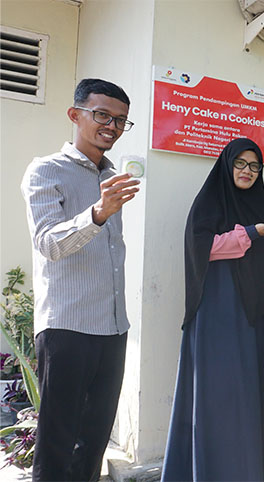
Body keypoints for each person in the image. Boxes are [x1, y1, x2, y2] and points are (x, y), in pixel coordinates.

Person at [21, 78, 139, 481]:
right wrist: (97, 213)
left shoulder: (111, 176)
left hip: (113, 327)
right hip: (67, 327)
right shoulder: (46, 170)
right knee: (58, 440)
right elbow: (48, 244)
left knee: (94, 439)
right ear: (75, 114)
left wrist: (103, 209)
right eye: (102, 115)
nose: (112, 126)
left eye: (120, 120)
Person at [161, 138, 264, 481]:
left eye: (255, 166)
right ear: (227, 165)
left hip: (257, 312)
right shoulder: (208, 203)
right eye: (240, 163)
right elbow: (202, 247)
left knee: (251, 392)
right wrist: (249, 233)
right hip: (218, 312)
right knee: (220, 393)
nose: (248, 171)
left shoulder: (258, 207)